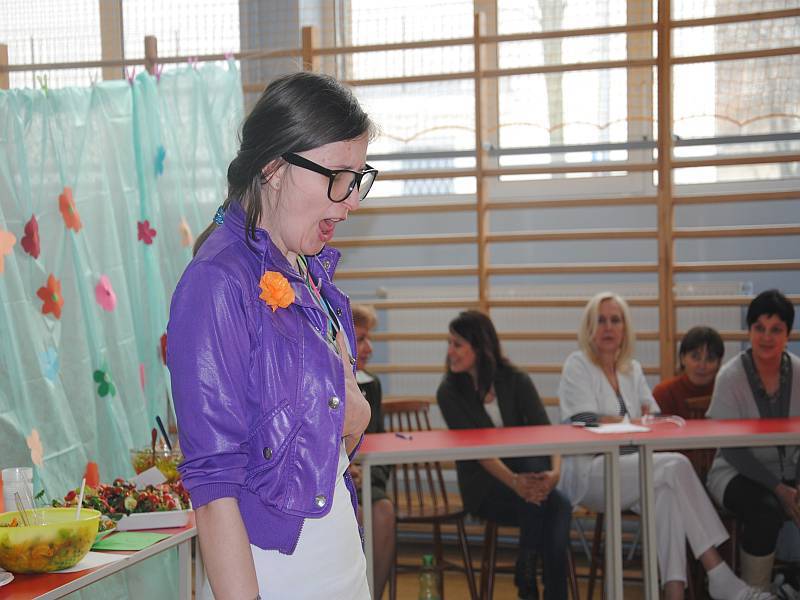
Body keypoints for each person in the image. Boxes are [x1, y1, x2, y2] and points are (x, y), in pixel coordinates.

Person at [167, 72, 378, 600]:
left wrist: (355, 414)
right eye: (338, 177)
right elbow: (214, 487)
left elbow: (328, 443)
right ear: (275, 168)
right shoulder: (216, 282)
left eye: (358, 179)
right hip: (273, 575)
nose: (351, 201)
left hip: (340, 564)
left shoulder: (310, 271)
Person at [557, 292, 772, 600]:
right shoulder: (577, 364)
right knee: (676, 464)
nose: (608, 327)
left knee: (667, 495)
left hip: (633, 468)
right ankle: (719, 574)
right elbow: (583, 420)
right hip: (591, 472)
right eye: (600, 320)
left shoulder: (631, 368)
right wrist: (630, 421)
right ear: (589, 328)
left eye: (615, 320)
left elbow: (655, 418)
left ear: (625, 328)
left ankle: (674, 593)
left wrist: (631, 420)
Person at [437, 310, 572, 600]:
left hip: (526, 482)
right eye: (449, 343)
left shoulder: (515, 379)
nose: (450, 352)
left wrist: (554, 474)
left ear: (480, 346)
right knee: (555, 506)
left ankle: (527, 567)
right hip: (485, 486)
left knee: (553, 500)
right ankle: (535, 577)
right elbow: (477, 452)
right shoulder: (448, 392)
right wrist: (515, 482)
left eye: (457, 344)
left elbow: (547, 433)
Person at [706, 289, 800, 589]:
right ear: (749, 331)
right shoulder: (730, 377)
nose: (766, 337)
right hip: (734, 472)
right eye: (759, 328)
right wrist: (779, 489)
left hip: (790, 472)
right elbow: (732, 450)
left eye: (776, 329)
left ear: (788, 334)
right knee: (765, 510)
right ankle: (754, 591)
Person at [348, 304, 395, 599]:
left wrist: (366, 474)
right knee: (358, 514)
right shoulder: (325, 382)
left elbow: (379, 444)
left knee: (384, 510)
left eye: (369, 338)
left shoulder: (372, 385)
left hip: (366, 480)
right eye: (361, 339)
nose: (370, 348)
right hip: (333, 482)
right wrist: (344, 468)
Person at [653, 326, 725, 419]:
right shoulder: (664, 393)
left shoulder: (728, 392)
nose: (702, 365)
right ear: (682, 358)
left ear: (719, 363)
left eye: (710, 358)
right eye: (695, 357)